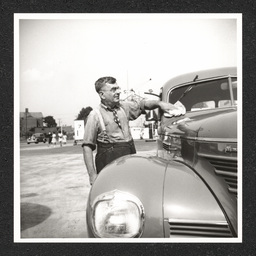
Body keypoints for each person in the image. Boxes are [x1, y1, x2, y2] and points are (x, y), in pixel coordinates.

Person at [82, 76, 184, 185]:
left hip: (128, 162)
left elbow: (142, 105)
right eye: (113, 90)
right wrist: (92, 175)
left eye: (118, 88)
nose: (118, 92)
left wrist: (159, 103)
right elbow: (87, 147)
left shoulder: (123, 107)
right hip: (108, 168)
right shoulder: (95, 115)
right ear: (102, 95)